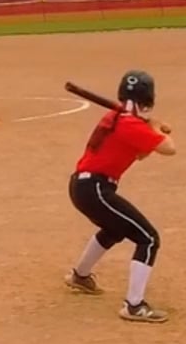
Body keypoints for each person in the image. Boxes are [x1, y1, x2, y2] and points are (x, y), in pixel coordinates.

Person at [62, 70, 177, 323]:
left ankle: (80, 276)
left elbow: (140, 153)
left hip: (83, 187)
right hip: (95, 188)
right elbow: (169, 149)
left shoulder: (115, 118)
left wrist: (151, 130)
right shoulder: (130, 124)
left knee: (114, 229)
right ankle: (134, 306)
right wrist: (156, 128)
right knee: (148, 238)